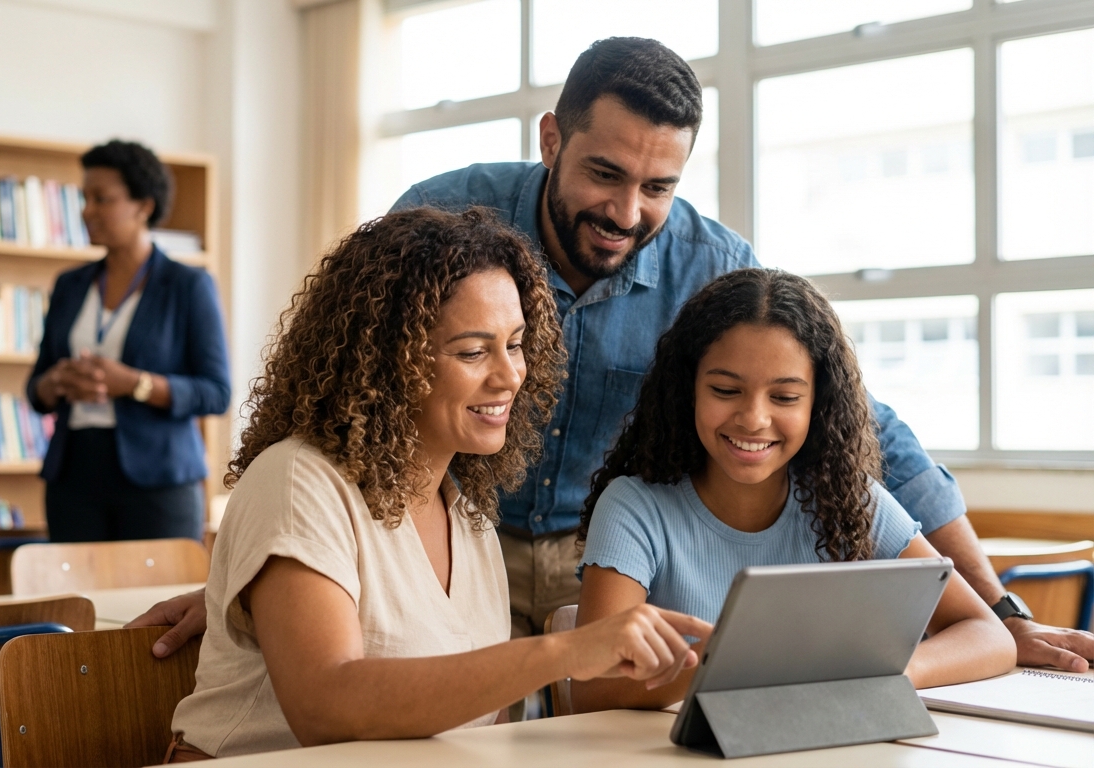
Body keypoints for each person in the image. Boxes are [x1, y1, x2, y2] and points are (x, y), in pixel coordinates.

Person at [133, 35, 1094, 671]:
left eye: (659, 186)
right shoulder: (447, 216)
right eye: (605, 173)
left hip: (603, 559)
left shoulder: (713, 265)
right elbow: (343, 388)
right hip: (450, 547)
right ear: (551, 138)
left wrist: (999, 611)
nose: (627, 213)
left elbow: (867, 428)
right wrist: (259, 568)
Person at [162, 207, 713, 759]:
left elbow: (481, 727)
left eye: (516, 344)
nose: (510, 375)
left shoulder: (467, 514)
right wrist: (561, 653)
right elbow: (324, 710)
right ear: (387, 360)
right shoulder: (298, 481)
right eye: (473, 351)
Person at [572, 269, 1015, 711]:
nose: (753, 419)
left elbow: (989, 634)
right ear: (687, 389)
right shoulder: (633, 508)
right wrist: (742, 664)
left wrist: (899, 670)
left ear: (817, 405)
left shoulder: (849, 500)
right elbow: (593, 688)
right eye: (725, 390)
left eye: (784, 398)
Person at [27, 140, 230, 543]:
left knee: (157, 603)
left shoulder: (187, 285)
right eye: (84, 197)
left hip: (159, 479)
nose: (87, 210)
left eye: (101, 199)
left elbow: (215, 393)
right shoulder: (69, 285)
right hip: (74, 476)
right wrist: (59, 381)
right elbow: (37, 390)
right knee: (81, 605)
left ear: (144, 206)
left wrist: (133, 383)